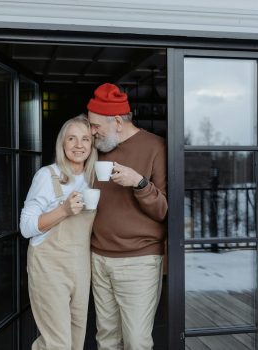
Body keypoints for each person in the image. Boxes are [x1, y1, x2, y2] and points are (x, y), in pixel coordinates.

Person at [87, 83, 168, 350]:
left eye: (95, 125)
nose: (92, 131)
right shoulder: (97, 147)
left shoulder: (156, 147)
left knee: (136, 341)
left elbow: (164, 211)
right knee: (106, 339)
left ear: (118, 122)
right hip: (98, 257)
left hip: (139, 260)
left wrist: (140, 183)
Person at [20, 115, 98, 350]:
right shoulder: (47, 176)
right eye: (71, 138)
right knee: (57, 343)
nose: (78, 145)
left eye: (85, 139)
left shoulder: (94, 179)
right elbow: (26, 227)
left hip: (81, 267)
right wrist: (63, 210)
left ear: (91, 145)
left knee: (76, 340)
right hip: (49, 267)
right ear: (62, 144)